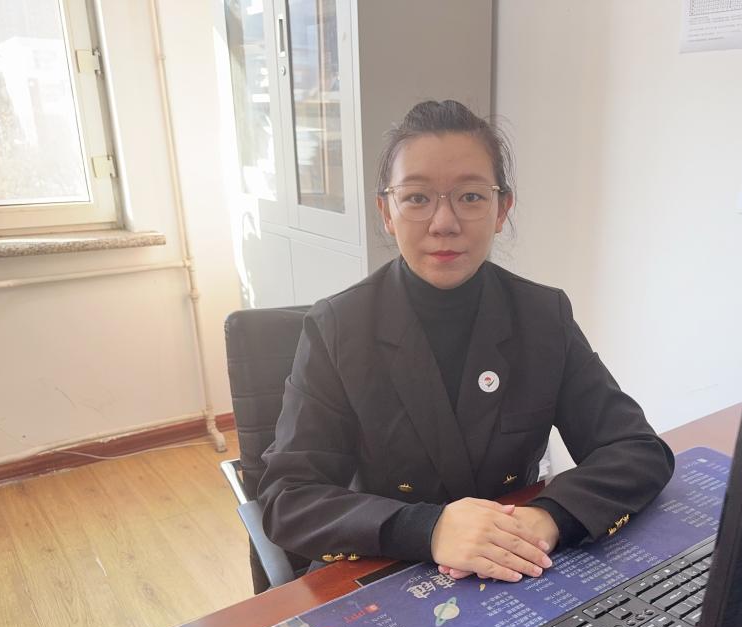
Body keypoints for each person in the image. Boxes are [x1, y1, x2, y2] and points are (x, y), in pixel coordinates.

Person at [257, 100, 674, 588]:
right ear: (386, 212)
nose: (444, 223)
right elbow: (288, 498)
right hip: (390, 565)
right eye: (417, 198)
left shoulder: (542, 316)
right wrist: (428, 529)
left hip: (515, 562)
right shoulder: (338, 326)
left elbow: (637, 449)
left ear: (502, 209)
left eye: (471, 196)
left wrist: (549, 516)